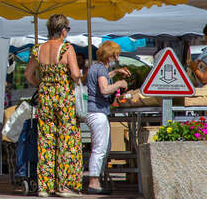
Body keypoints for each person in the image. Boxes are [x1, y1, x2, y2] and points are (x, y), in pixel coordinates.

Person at [24, 14, 83, 198]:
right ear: (63, 30)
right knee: (67, 140)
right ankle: (65, 186)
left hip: (45, 98)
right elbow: (74, 74)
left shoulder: (38, 49)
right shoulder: (66, 48)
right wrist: (79, 78)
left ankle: (44, 186)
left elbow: (28, 74)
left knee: (46, 141)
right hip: (64, 98)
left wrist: (40, 85)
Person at [85, 41, 130, 195]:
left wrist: (115, 72)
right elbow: (104, 89)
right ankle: (93, 182)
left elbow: (103, 78)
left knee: (102, 147)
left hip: (93, 112)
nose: (117, 57)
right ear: (110, 54)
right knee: (100, 149)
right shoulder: (101, 70)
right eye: (116, 54)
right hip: (98, 112)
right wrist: (119, 83)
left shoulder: (95, 67)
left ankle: (96, 179)